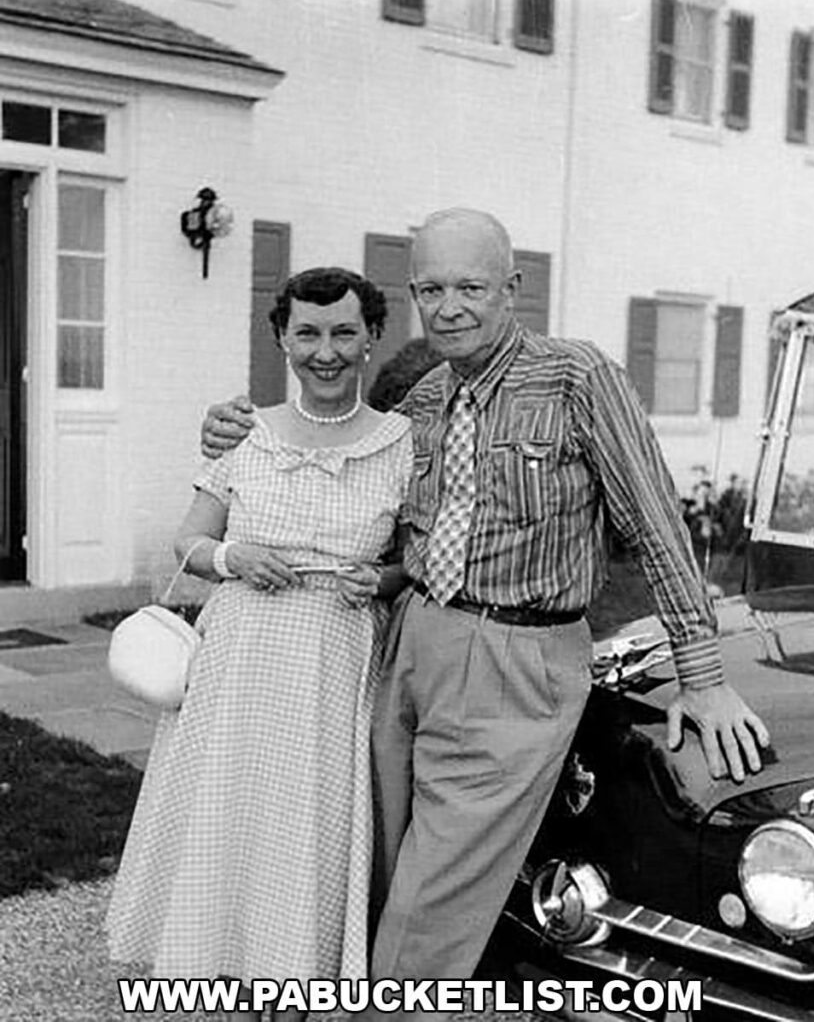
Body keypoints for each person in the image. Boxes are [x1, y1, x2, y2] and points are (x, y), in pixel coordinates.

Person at [201, 209, 769, 1019]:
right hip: (408, 646)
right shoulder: (423, 398)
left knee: (428, 909)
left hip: (513, 662)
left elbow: (653, 524)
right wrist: (233, 432)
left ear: (512, 287)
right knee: (380, 866)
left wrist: (701, 677)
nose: (449, 306)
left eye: (470, 286)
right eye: (430, 289)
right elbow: (337, 466)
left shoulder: (578, 378)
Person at [107, 267, 413, 1020]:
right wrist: (231, 559)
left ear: (371, 337)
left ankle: (295, 990)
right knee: (227, 820)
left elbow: (416, 560)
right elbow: (186, 542)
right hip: (239, 661)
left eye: (344, 332)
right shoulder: (246, 432)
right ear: (281, 338)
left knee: (302, 832)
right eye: (307, 333)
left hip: (331, 663)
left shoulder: (403, 445)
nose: (326, 351)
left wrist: (381, 581)